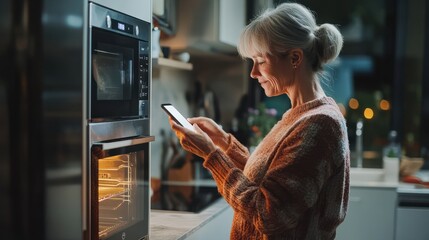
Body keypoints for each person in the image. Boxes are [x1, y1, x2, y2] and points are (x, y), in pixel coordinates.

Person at [168, 2, 350, 239]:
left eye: (260, 62)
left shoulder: (319, 125)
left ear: (295, 58)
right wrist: (223, 142)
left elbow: (268, 215)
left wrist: (211, 156)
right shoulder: (301, 115)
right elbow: (267, 182)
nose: (253, 73)